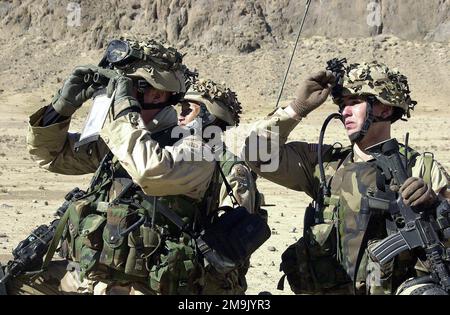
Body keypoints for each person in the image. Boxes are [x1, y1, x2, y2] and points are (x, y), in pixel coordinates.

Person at [4, 38, 260, 295]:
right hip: (89, 274)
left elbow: (150, 169)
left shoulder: (196, 150)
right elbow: (52, 155)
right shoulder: (122, 141)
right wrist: (61, 107)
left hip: (147, 285)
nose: (113, 95)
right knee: (12, 283)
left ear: (157, 95)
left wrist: (124, 109)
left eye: (125, 88)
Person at [243, 60, 450, 295]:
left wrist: (436, 206)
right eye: (342, 104)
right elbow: (256, 155)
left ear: (385, 108)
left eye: (354, 102)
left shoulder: (420, 168)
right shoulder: (325, 163)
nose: (344, 112)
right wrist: (297, 108)